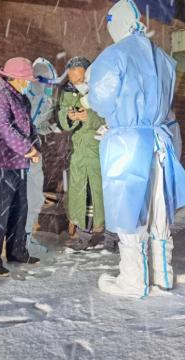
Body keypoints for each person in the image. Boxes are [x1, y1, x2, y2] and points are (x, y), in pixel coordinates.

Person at [86, 0, 185, 298]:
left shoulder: (115, 55)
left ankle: (133, 279)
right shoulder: (162, 58)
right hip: (159, 141)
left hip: (127, 142)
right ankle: (163, 275)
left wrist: (102, 109)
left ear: (116, 25)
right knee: (157, 211)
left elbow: (101, 97)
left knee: (129, 210)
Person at [0, 57, 41, 277]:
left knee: (19, 209)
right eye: (26, 79)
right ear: (14, 78)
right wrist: (27, 149)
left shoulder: (21, 98)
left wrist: (34, 146)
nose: (28, 83)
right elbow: (3, 128)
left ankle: (17, 252)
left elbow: (29, 127)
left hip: (17, 163)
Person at [58, 56, 108, 250]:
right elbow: (62, 117)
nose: (75, 83)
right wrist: (69, 116)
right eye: (72, 80)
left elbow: (114, 115)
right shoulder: (68, 92)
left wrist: (91, 117)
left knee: (103, 193)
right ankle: (83, 236)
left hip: (100, 149)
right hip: (79, 151)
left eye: (79, 79)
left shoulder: (103, 90)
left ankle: (110, 234)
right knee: (81, 194)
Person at [25, 57, 59, 246]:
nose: (49, 88)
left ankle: (27, 237)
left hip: (34, 151)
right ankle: (18, 240)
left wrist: (53, 128)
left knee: (35, 196)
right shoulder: (24, 95)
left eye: (51, 85)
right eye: (46, 83)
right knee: (22, 197)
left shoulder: (46, 100)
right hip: (20, 152)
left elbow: (39, 125)